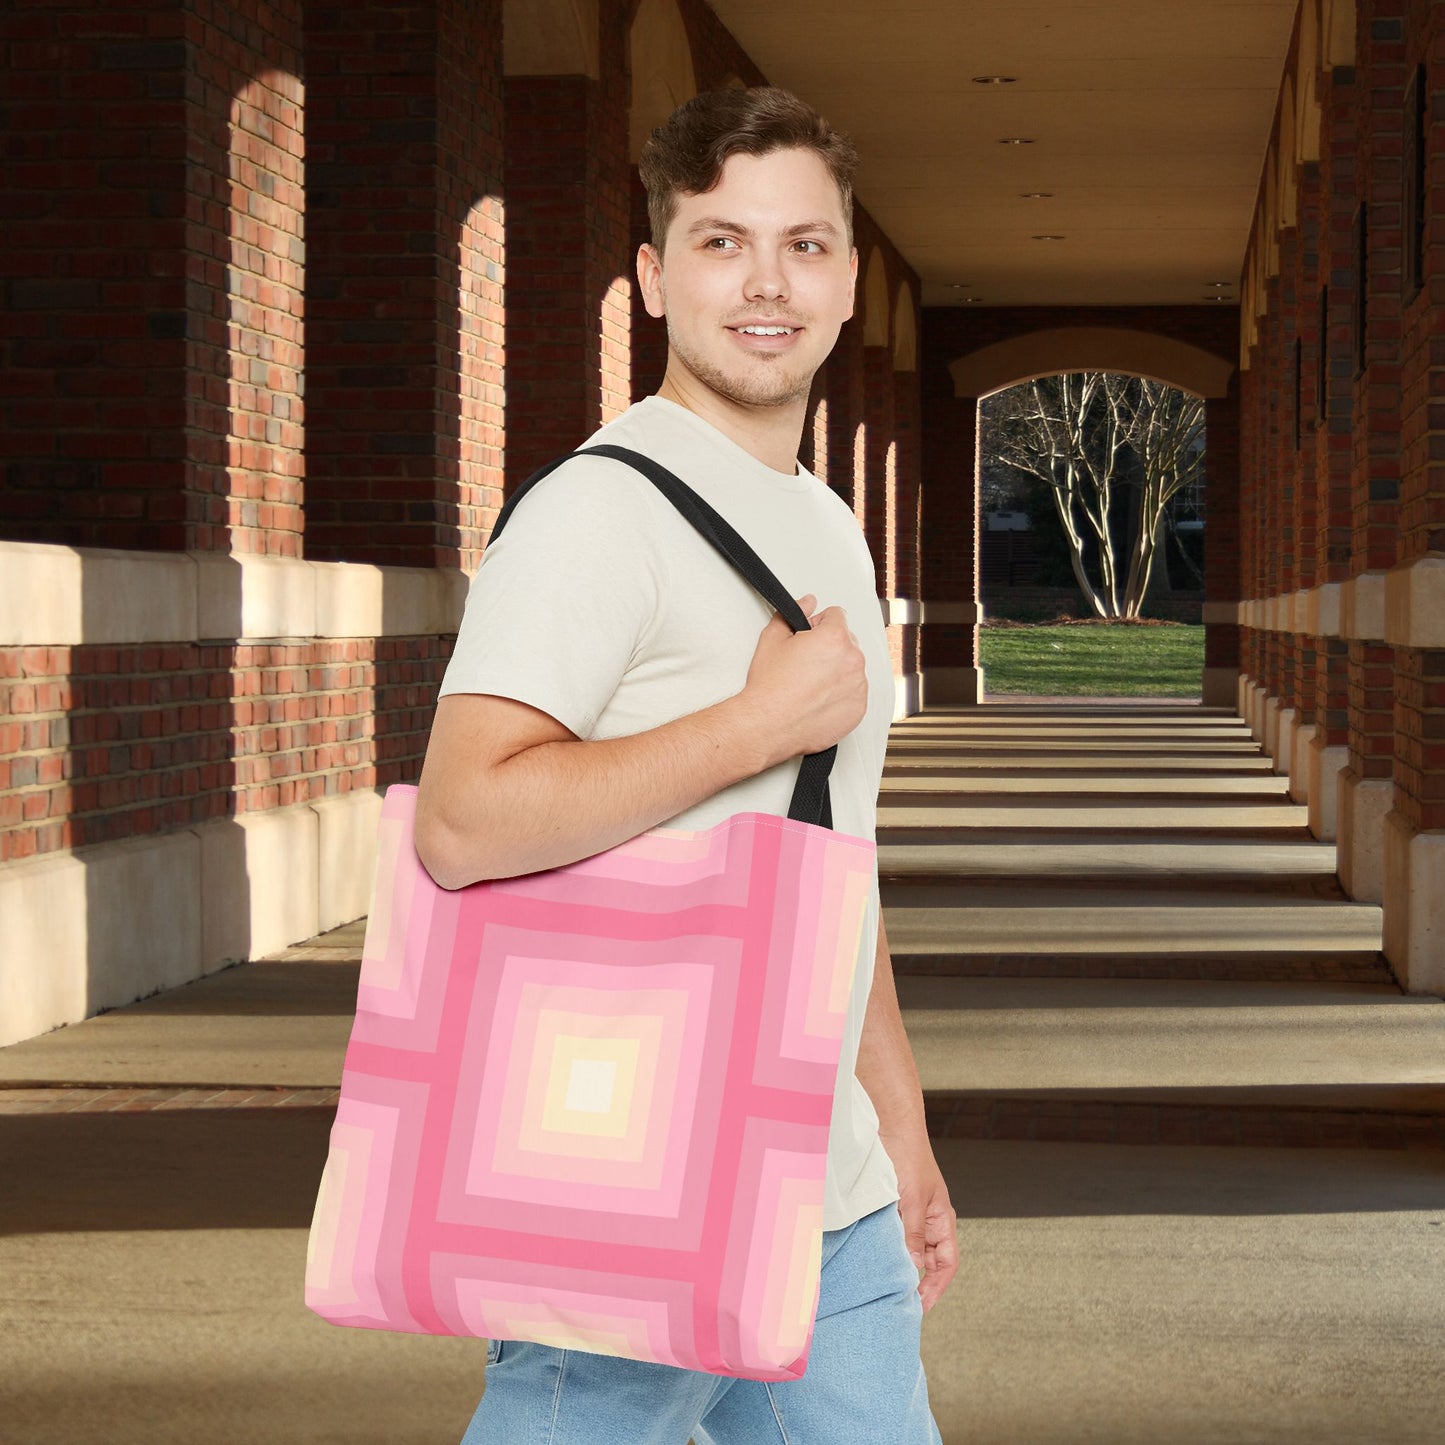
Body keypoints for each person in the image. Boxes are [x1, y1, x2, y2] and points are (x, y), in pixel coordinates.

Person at [415, 83, 957, 1445]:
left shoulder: (825, 525)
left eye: (803, 244)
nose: (765, 283)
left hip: (825, 1202)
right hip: (630, 1184)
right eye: (721, 243)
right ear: (655, 279)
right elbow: (462, 820)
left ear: (840, 283)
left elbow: (835, 856)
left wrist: (897, 1128)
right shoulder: (595, 511)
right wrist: (750, 724)